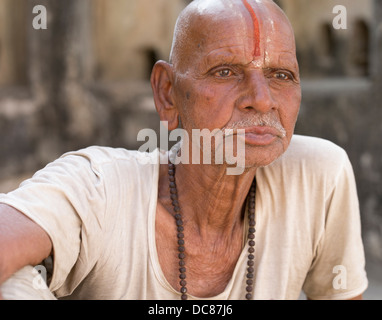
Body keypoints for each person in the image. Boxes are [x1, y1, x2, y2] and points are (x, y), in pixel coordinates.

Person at [0, 0, 368, 300]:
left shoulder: (318, 174)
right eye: (225, 72)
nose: (262, 99)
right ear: (167, 94)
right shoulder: (99, 188)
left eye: (281, 75)